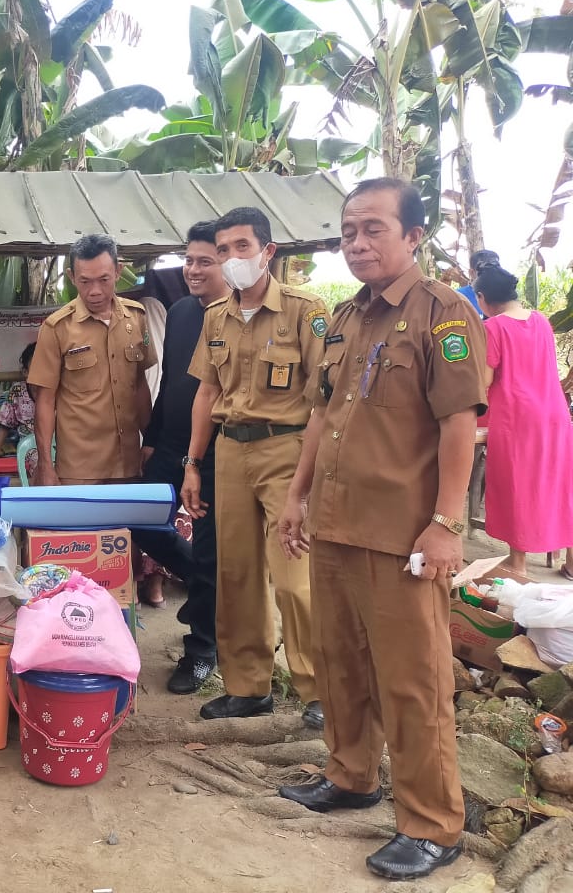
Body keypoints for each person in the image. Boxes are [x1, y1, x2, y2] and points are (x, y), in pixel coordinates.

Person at [276, 178, 485, 881]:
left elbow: (462, 424)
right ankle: (351, 776)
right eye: (348, 233)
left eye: (373, 230)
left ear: (413, 237)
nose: (358, 244)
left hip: (403, 540)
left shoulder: (443, 315)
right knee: (341, 667)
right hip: (335, 525)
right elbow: (322, 417)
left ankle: (432, 825)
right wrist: (297, 496)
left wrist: (447, 523)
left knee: (413, 684)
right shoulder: (342, 319)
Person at [182, 207, 324, 727]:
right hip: (229, 451)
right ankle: (248, 687)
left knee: (294, 578)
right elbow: (207, 391)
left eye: (242, 247)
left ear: (269, 251)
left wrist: (306, 483)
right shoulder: (215, 316)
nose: (232, 258)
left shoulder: (306, 312)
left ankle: (319, 691)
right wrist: (192, 464)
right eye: (224, 250)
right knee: (236, 573)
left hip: (286, 451)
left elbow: (324, 404)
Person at [139, 221, 227, 693]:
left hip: (216, 452)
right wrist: (152, 436)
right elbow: (171, 382)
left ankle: (202, 650)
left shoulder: (240, 316)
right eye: (189, 260)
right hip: (170, 445)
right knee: (142, 521)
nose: (193, 270)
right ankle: (211, 586)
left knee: (211, 547)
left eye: (204, 261)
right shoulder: (180, 312)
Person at [28, 233, 157, 490]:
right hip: (79, 469)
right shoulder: (57, 328)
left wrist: (151, 441)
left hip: (130, 464)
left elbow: (139, 386)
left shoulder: (137, 317)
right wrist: (46, 465)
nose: (95, 291)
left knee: (128, 531)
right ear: (72, 277)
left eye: (104, 280)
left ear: (119, 272)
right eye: (85, 281)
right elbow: (45, 400)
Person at [473, 264, 573, 579]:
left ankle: (517, 562)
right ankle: (570, 563)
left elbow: (485, 379)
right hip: (554, 412)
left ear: (482, 297)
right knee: (559, 484)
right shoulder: (542, 321)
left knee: (518, 484)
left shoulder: (493, 327)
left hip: (518, 417)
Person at [0, 343, 37, 460]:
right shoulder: (18, 391)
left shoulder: (60, 391)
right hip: (29, 451)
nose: (42, 372)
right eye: (37, 367)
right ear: (26, 372)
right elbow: (6, 424)